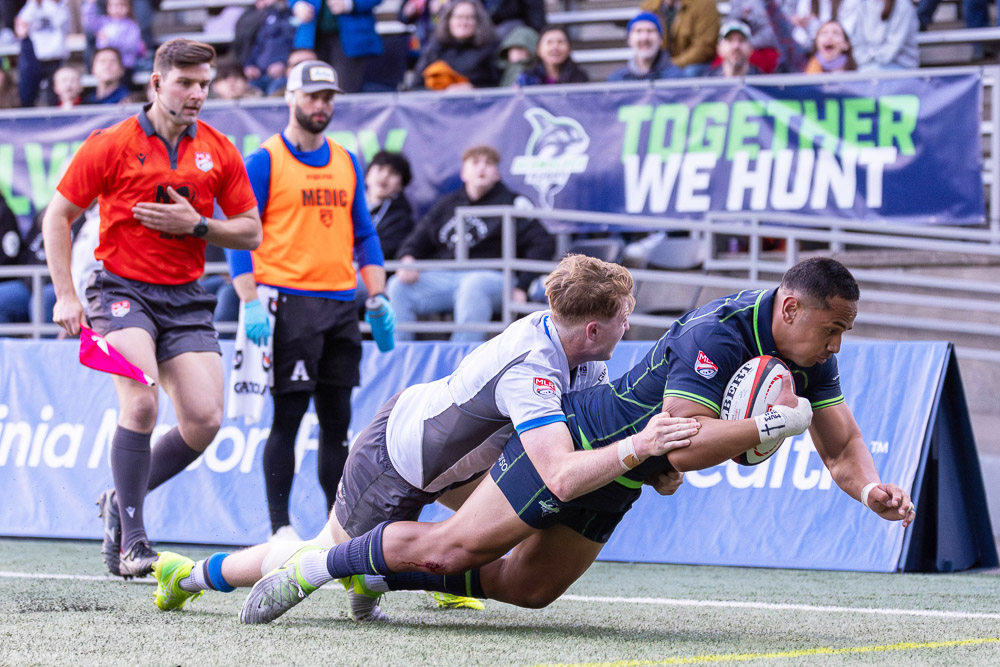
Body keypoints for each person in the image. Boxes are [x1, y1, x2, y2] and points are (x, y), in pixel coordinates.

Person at [238, 257, 918, 624]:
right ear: (791, 307)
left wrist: (867, 486)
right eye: (835, 327)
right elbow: (681, 445)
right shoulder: (719, 331)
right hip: (589, 437)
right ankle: (317, 566)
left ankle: (377, 569)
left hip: (628, 469)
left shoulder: (810, 347)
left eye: (845, 332)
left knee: (528, 588)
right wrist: (768, 426)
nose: (837, 344)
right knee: (454, 546)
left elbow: (840, 438)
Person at [150, 254, 694, 620]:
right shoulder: (535, 369)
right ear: (593, 329)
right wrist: (638, 451)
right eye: (625, 317)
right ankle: (190, 575)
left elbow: (588, 430)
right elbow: (558, 469)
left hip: (457, 458)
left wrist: (648, 468)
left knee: (496, 530)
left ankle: (376, 582)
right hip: (398, 460)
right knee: (320, 551)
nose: (631, 326)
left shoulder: (579, 346)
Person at [41, 37, 262, 579]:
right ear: (157, 83)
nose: (197, 94)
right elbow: (56, 217)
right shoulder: (111, 143)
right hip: (118, 291)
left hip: (185, 298)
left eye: (205, 84)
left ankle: (119, 501)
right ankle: (133, 543)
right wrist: (65, 294)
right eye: (186, 83)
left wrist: (199, 227)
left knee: (206, 420)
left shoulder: (219, 149)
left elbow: (252, 231)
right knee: (139, 404)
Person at [225, 60, 395, 542]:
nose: (321, 105)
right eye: (312, 96)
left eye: (328, 98)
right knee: (289, 419)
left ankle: (336, 531)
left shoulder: (345, 160)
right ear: (290, 97)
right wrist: (249, 300)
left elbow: (364, 234)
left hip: (341, 305)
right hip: (288, 305)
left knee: (338, 426)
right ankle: (280, 530)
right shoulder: (265, 160)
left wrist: (378, 295)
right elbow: (239, 235)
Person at [387, 144, 554, 343]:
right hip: (447, 276)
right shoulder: (448, 203)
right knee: (398, 286)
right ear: (464, 173)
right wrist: (407, 258)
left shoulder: (513, 202)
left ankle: (461, 363)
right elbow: (418, 239)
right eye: (475, 162)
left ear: (497, 174)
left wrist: (523, 284)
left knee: (473, 285)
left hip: (492, 278)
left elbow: (543, 243)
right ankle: (400, 357)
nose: (482, 168)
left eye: (488, 163)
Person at [290, 0, 383, 94]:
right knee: (308, 90)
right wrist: (297, 4)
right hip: (311, 37)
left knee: (344, 90)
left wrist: (350, 3)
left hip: (351, 39)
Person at [414, 0, 499, 90]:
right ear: (449, 20)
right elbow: (416, 86)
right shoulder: (435, 46)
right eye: (458, 17)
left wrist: (474, 89)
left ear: (478, 21)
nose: (463, 22)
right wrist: (443, 91)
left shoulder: (490, 48)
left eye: (469, 17)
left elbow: (497, 85)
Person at [639, 0, 719, 77]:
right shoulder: (650, 6)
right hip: (662, 65)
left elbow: (704, 48)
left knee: (689, 72)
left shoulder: (704, 4)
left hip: (694, 64)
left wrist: (672, 64)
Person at [15, 0, 71, 107]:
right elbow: (21, 26)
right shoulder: (31, 7)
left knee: (54, 98)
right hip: (33, 57)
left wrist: (50, 4)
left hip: (55, 57)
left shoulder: (62, 7)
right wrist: (35, 4)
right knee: (27, 95)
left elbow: (61, 21)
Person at [364, 150, 414, 262]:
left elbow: (383, 253)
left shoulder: (402, 220)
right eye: (380, 168)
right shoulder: (344, 204)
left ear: (401, 186)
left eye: (393, 173)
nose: (384, 176)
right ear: (367, 175)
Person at [607, 12, 680, 82]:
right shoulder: (617, 80)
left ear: (660, 39)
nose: (644, 38)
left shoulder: (677, 78)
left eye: (650, 31)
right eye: (638, 31)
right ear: (629, 39)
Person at [849, 0, 918, 71]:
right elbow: (858, 44)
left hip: (900, 66)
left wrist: (871, 56)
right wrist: (865, 59)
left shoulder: (903, 6)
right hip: (867, 65)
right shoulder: (863, 6)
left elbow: (893, 48)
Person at [82, 0, 147, 72]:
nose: (117, 8)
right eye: (113, 5)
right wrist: (91, 4)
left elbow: (130, 46)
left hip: (124, 66)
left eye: (121, 5)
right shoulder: (103, 22)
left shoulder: (132, 26)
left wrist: (109, 40)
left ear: (128, 7)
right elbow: (89, 20)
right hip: (104, 64)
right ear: (107, 7)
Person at [516, 25, 589, 85]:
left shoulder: (579, 78)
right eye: (549, 42)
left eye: (560, 42)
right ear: (538, 50)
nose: (555, 47)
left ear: (569, 49)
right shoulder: (527, 78)